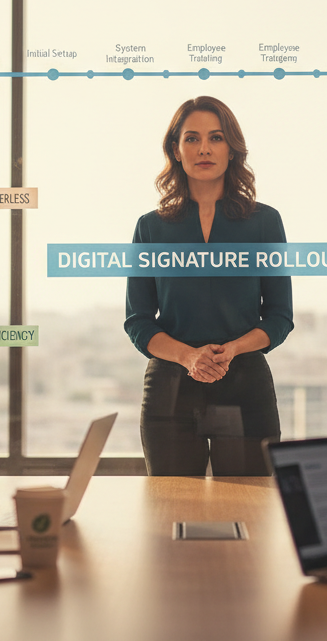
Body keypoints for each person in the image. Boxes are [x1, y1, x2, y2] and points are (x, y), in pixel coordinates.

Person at [125, 96, 293, 476]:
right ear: (176, 149)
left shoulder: (265, 223)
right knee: (172, 506)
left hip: (245, 386)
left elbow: (280, 317)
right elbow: (138, 321)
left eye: (216, 138)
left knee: (249, 504)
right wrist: (189, 357)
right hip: (171, 387)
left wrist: (231, 350)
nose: (204, 149)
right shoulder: (150, 227)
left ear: (232, 149)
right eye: (192, 138)